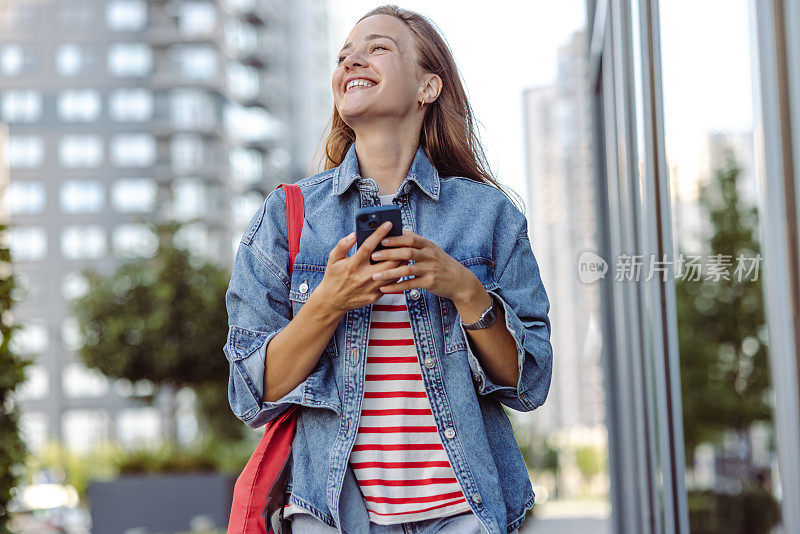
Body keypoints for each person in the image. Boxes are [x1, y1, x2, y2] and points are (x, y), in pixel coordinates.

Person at [223, 5, 553, 534]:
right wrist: (328, 302)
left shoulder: (488, 217)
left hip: (464, 514)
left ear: (428, 86)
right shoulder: (287, 219)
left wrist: (467, 293)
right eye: (343, 54)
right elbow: (249, 393)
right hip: (329, 515)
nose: (352, 58)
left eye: (378, 47)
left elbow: (527, 382)